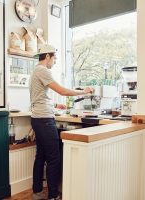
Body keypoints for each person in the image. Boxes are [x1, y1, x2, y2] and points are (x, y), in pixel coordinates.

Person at [29, 44, 93, 200]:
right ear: (48, 56)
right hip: (44, 120)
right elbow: (63, 91)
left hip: (37, 118)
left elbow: (38, 98)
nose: (55, 61)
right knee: (54, 157)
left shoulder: (35, 71)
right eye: (55, 58)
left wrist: (56, 105)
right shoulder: (43, 70)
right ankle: (53, 196)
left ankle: (37, 192)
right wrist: (83, 91)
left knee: (41, 156)